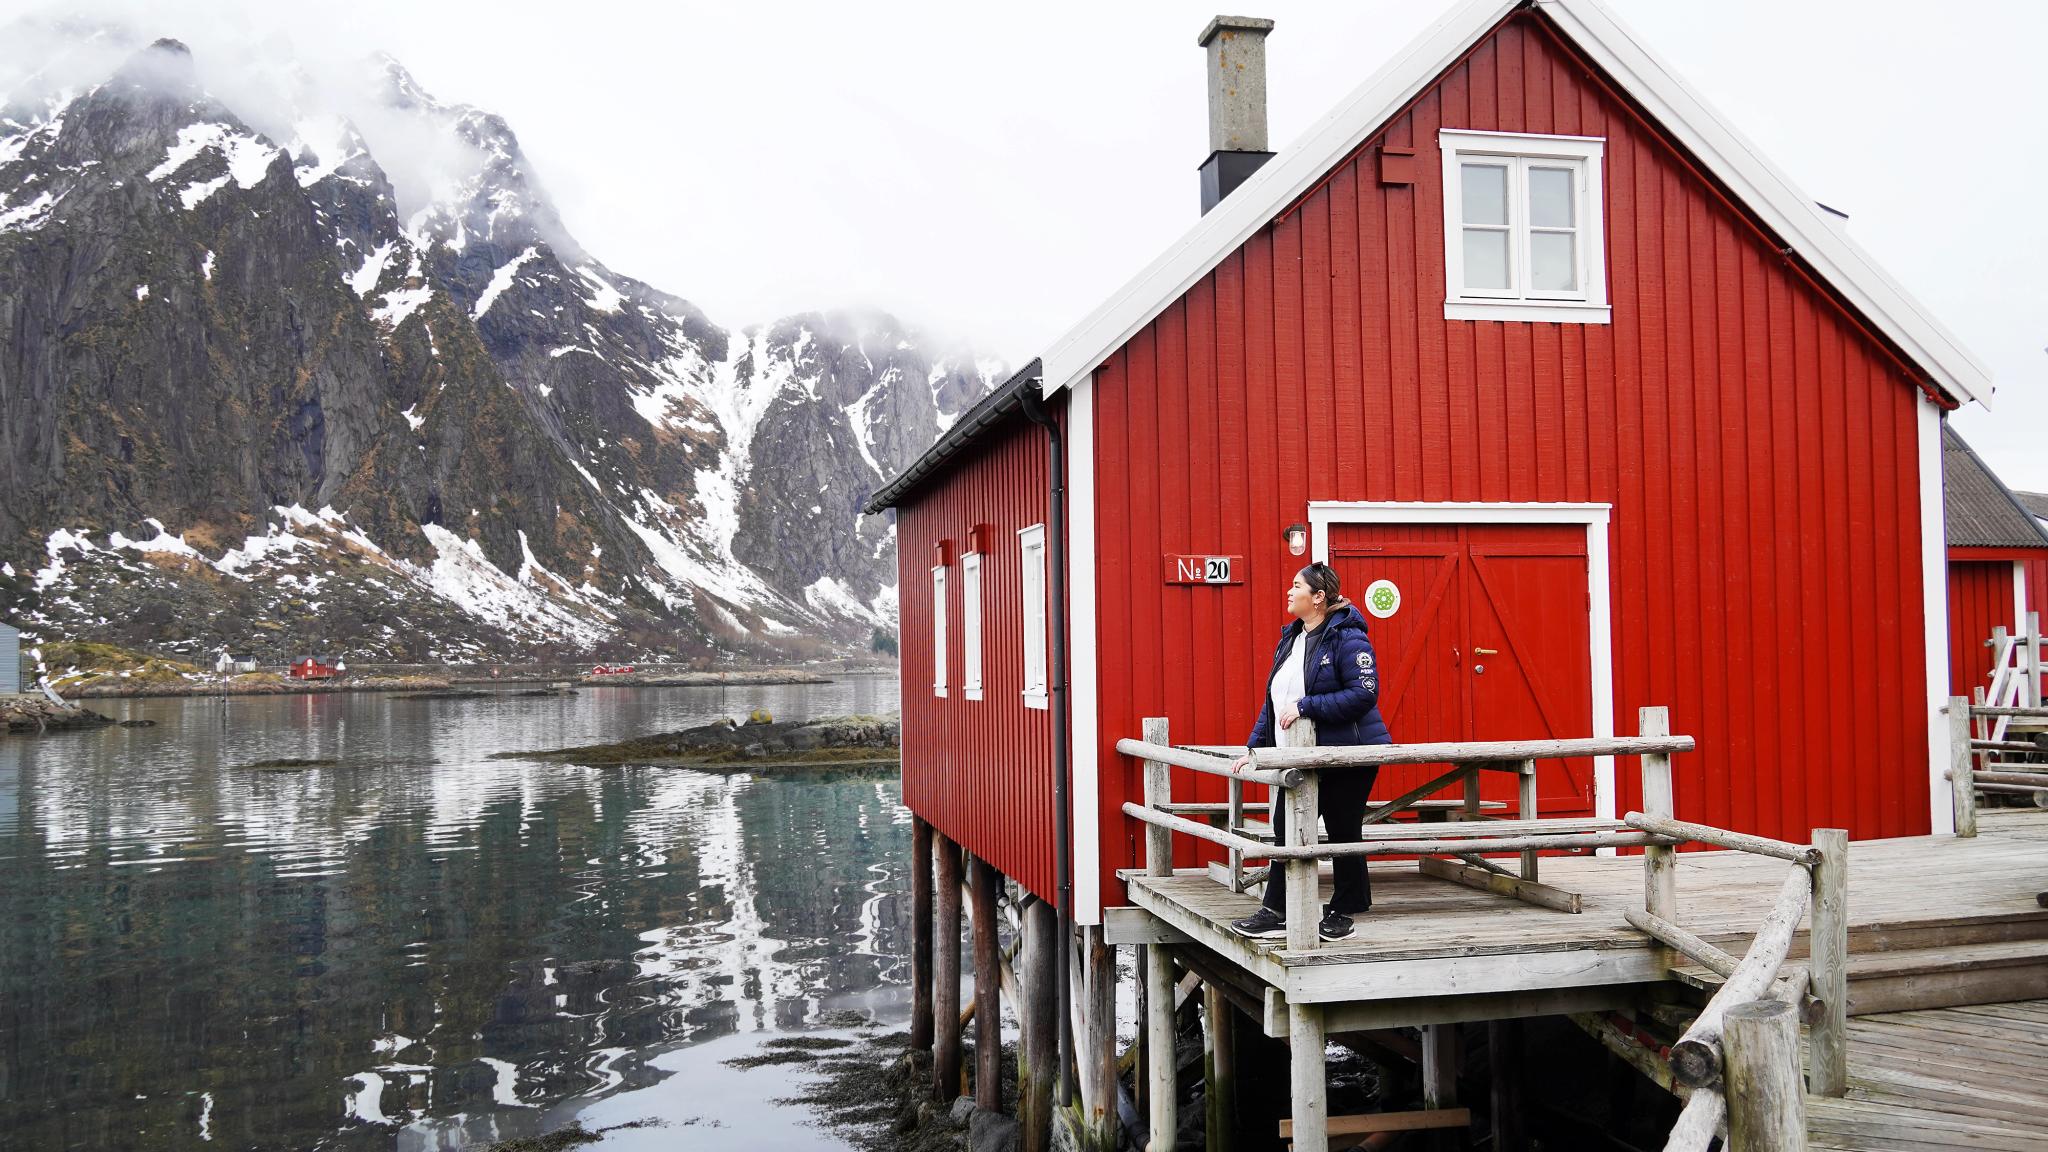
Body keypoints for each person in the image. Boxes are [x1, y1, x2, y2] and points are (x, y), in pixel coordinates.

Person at [1228, 562, 1392, 941]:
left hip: (1349, 753)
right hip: (1303, 757)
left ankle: (1344, 909)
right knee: (1286, 829)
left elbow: (1364, 693)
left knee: (1342, 831)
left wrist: (1307, 707)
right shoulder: (1292, 638)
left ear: (1318, 597)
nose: (1289, 591)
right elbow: (1276, 703)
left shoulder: (1347, 637)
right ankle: (1277, 910)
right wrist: (1254, 749)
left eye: (1296, 585)